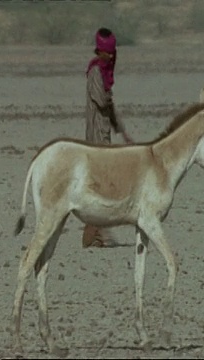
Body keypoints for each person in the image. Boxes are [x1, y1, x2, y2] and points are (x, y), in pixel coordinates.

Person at [82, 27, 133, 248]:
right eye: (107, 52)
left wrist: (122, 131)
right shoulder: (95, 72)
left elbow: (110, 109)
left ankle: (95, 232)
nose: (111, 56)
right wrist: (109, 96)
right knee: (101, 183)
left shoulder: (104, 73)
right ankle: (97, 230)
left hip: (104, 135)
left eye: (112, 52)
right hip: (96, 136)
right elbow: (102, 102)